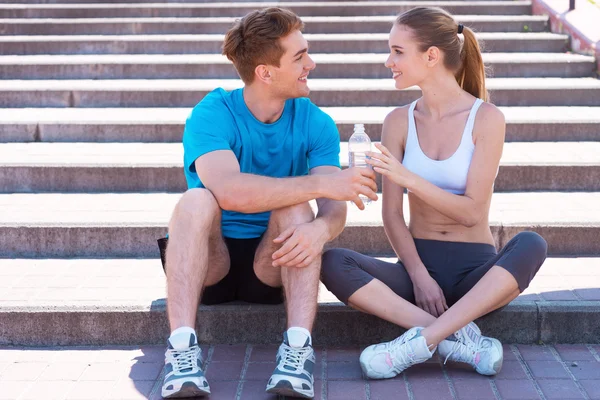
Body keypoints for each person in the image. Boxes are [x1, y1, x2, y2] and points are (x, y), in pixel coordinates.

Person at [157, 7, 378, 399]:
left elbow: (334, 205)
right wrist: (321, 186)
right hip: (211, 260)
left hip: (272, 261)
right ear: (265, 72)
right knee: (195, 200)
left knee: (298, 211)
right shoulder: (212, 113)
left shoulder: (315, 122)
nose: (311, 63)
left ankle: (297, 354)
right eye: (299, 57)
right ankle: (181, 352)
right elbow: (229, 192)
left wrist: (320, 229)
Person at [321, 7, 547, 380]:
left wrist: (409, 178)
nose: (388, 61)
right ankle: (454, 337)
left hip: (476, 275)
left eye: (397, 51)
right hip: (416, 270)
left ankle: (417, 344)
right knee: (332, 263)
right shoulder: (398, 121)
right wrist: (419, 275)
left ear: (431, 55)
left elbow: (472, 212)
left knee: (532, 244)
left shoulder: (487, 118)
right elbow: (392, 215)